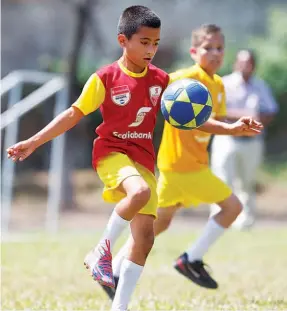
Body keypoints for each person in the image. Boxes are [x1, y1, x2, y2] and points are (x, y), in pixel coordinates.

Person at [6, 6, 171, 311]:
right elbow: (73, 113)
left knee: (145, 240)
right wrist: (34, 141)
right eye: (144, 42)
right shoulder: (105, 78)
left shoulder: (162, 80)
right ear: (123, 40)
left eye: (156, 43)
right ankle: (101, 251)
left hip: (143, 160)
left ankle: (118, 307)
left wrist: (229, 126)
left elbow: (187, 118)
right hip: (112, 154)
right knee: (140, 192)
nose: (151, 50)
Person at [98, 24, 263, 300]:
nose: (215, 53)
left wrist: (232, 126)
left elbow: (211, 123)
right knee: (232, 206)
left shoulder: (219, 84)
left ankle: (115, 270)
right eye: (208, 47)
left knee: (158, 225)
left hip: (195, 167)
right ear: (193, 51)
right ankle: (189, 259)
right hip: (178, 168)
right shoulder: (183, 80)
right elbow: (152, 86)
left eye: (220, 48)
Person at [210, 49, 278, 229]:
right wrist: (246, 116)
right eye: (241, 62)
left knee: (247, 183)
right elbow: (217, 112)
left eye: (248, 63)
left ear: (254, 66)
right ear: (235, 64)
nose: (244, 66)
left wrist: (251, 118)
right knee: (223, 180)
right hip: (227, 139)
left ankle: (245, 222)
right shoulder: (224, 83)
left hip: (251, 141)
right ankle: (219, 219)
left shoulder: (260, 85)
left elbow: (270, 111)